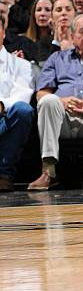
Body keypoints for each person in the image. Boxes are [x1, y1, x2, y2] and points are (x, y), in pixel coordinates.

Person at [28, 14, 83, 190]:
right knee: (48, 101)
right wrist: (62, 101)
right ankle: (49, 171)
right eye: (82, 32)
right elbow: (41, 93)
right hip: (63, 120)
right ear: (72, 36)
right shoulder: (57, 59)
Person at [0, 14, 34, 192]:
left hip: (5, 119)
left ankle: (4, 174)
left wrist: (1, 105)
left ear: (3, 33)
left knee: (22, 110)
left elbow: (22, 95)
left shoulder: (21, 64)